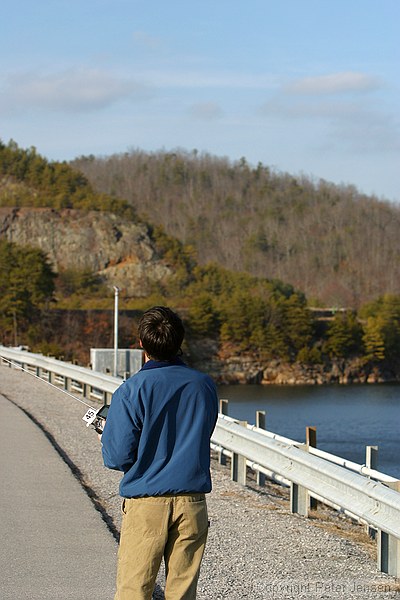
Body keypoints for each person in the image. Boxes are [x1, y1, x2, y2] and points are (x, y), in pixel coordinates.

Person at [100, 306, 219, 600]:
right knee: (183, 593)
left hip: (146, 505)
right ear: (180, 342)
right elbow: (203, 432)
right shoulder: (203, 385)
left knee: (134, 591)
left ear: (141, 344)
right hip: (192, 504)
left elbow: (116, 456)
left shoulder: (132, 390)